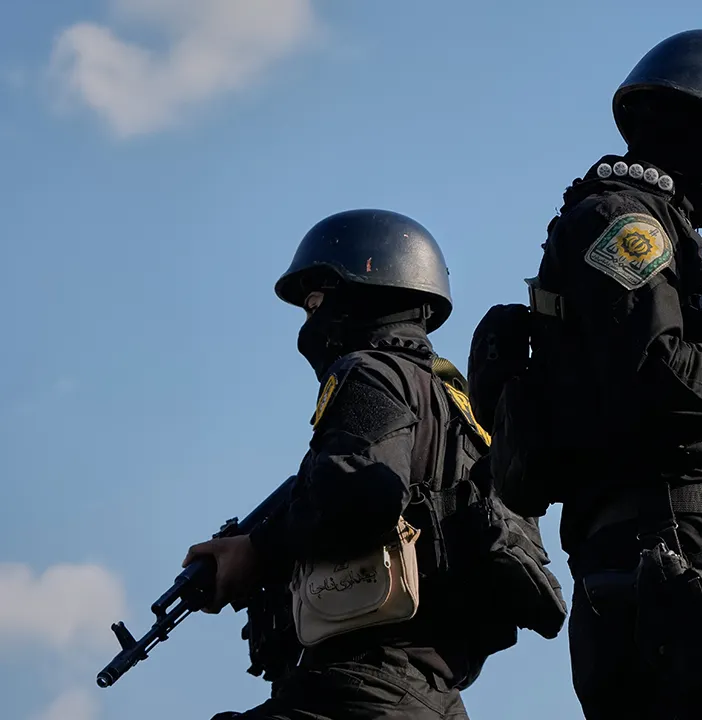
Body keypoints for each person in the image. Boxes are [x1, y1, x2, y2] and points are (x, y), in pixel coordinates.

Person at [470, 28, 702, 720]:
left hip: (680, 566)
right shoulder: (624, 221)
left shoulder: (678, 250)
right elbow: (660, 373)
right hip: (680, 559)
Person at [185, 208, 566, 720]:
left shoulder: (369, 374)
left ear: (362, 292)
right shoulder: (463, 408)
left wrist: (257, 550)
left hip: (360, 691)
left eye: (316, 300)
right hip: (433, 698)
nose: (310, 318)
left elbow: (361, 497)